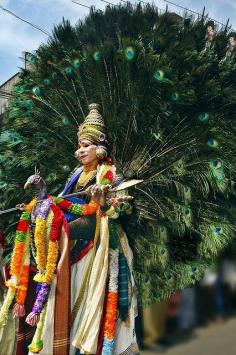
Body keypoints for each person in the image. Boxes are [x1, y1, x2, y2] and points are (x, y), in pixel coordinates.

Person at [40, 103, 139, 355]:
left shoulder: (110, 174)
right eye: (79, 146)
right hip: (73, 243)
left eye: (86, 146)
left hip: (102, 245)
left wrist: (104, 203)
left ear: (100, 147)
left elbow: (125, 209)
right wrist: (42, 202)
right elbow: (63, 200)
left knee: (96, 300)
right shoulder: (75, 175)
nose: (80, 151)